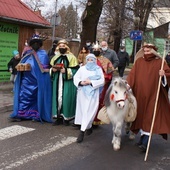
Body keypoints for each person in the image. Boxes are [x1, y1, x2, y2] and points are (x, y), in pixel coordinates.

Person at [126, 43, 170, 152]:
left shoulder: (160, 62)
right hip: (139, 94)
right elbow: (132, 75)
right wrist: (127, 85)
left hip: (154, 95)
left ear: (153, 51)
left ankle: (145, 142)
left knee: (149, 118)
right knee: (141, 117)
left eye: (148, 51)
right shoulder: (139, 62)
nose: (146, 53)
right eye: (145, 51)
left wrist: (163, 74)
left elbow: (168, 75)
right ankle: (142, 139)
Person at [8, 34, 52, 123]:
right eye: (33, 43)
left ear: (40, 44)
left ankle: (35, 115)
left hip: (37, 81)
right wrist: (20, 67)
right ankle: (21, 114)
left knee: (36, 99)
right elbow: (21, 63)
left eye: (37, 43)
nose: (35, 44)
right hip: (26, 81)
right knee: (23, 97)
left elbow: (44, 70)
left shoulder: (43, 54)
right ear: (31, 44)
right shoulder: (27, 53)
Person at [74, 53, 105, 143]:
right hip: (82, 93)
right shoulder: (82, 68)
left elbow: (102, 81)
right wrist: (81, 82)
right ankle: (89, 127)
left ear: (95, 61)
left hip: (92, 94)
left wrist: (91, 82)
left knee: (89, 111)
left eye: (92, 60)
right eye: (88, 60)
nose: (90, 61)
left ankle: (82, 132)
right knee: (83, 111)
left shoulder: (98, 69)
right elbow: (76, 77)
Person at [50, 39, 79, 126]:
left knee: (66, 98)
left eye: (63, 46)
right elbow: (51, 68)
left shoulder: (72, 57)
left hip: (67, 82)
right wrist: (53, 70)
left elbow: (76, 70)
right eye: (60, 46)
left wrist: (66, 71)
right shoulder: (55, 57)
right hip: (57, 81)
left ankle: (66, 118)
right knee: (57, 98)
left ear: (66, 47)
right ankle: (58, 117)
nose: (62, 48)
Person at [92, 42, 114, 126]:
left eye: (97, 49)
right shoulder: (89, 59)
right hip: (89, 84)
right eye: (94, 49)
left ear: (100, 50)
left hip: (101, 84)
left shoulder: (105, 60)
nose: (96, 51)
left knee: (99, 101)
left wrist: (103, 78)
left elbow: (109, 72)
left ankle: (96, 120)